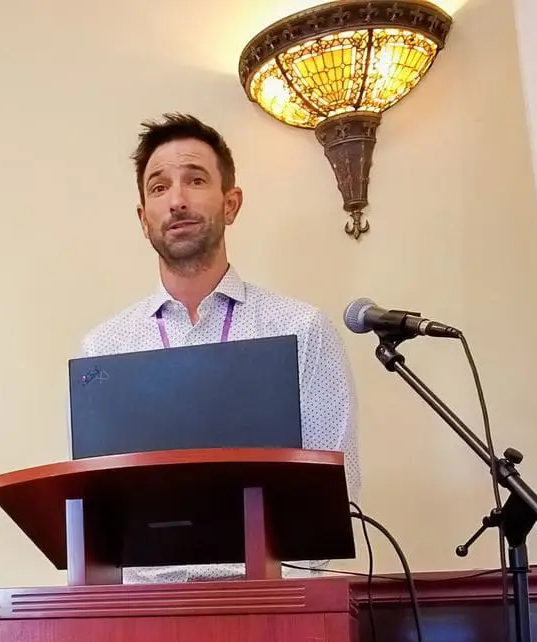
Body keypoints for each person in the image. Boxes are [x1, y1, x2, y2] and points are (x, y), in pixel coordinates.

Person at [81, 112, 361, 580]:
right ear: (143, 218)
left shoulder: (301, 328)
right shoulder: (105, 348)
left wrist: (271, 594)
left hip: (273, 601)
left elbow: (335, 488)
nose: (177, 200)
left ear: (231, 204)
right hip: (148, 609)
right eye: (159, 187)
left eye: (195, 180)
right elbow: (98, 511)